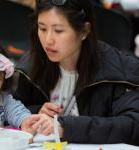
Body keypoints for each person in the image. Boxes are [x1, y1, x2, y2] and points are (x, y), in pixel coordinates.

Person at [14, 0, 139, 146]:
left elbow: (132, 125)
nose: (48, 40)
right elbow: (7, 109)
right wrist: (35, 111)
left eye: (58, 31)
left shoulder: (118, 70)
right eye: (42, 28)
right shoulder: (32, 64)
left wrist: (65, 127)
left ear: (84, 31)